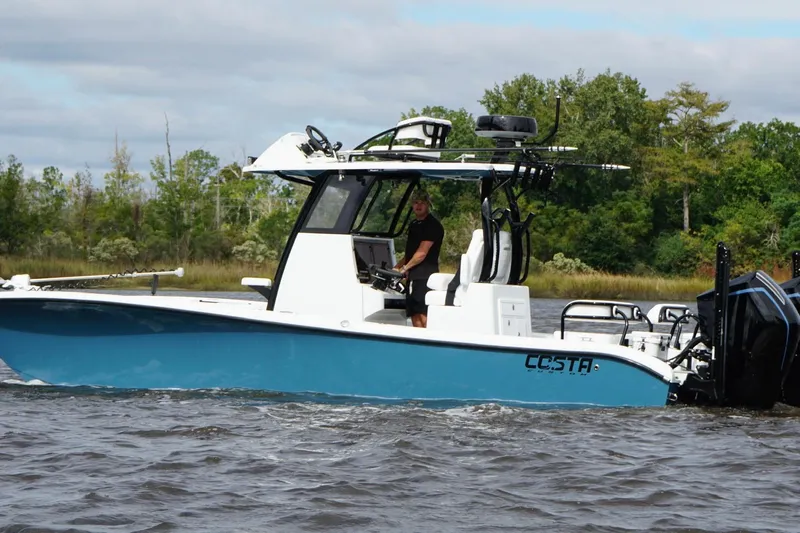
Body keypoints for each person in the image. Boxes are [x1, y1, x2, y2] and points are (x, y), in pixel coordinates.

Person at [394, 189, 444, 328]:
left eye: (422, 203)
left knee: (423, 314)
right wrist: (397, 267)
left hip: (425, 277)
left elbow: (422, 253)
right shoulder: (414, 224)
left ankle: (430, 343)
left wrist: (405, 268)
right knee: (414, 314)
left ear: (428, 204)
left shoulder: (432, 225)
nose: (418, 205)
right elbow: (410, 253)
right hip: (413, 278)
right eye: (416, 202)